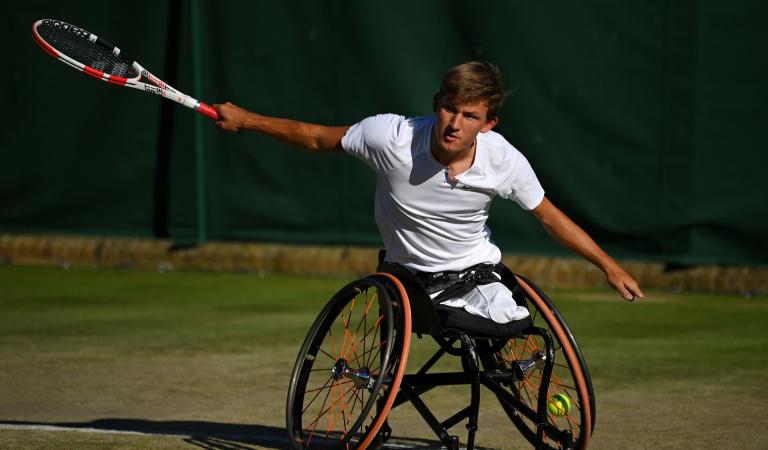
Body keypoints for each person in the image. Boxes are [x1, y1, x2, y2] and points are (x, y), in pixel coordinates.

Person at [213, 61, 643, 324]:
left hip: (477, 274)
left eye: (470, 115)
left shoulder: (504, 160)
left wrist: (608, 266)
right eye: (449, 109)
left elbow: (549, 216)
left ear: (488, 124)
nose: (455, 123)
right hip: (407, 279)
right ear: (437, 103)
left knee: (518, 326)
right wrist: (246, 119)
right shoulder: (392, 138)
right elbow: (315, 137)